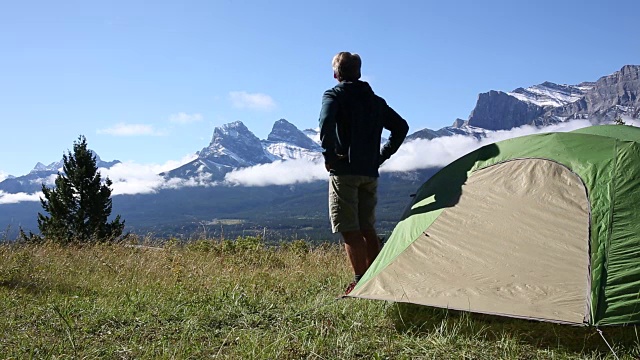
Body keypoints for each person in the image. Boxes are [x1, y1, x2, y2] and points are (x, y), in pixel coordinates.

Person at [318, 51, 409, 295]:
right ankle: (378, 278)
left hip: (345, 171)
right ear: (358, 72)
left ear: (336, 73)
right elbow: (401, 127)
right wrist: (381, 155)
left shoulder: (334, 95)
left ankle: (360, 283)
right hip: (370, 172)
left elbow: (326, 124)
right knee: (367, 227)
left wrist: (329, 156)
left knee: (349, 228)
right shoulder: (376, 101)